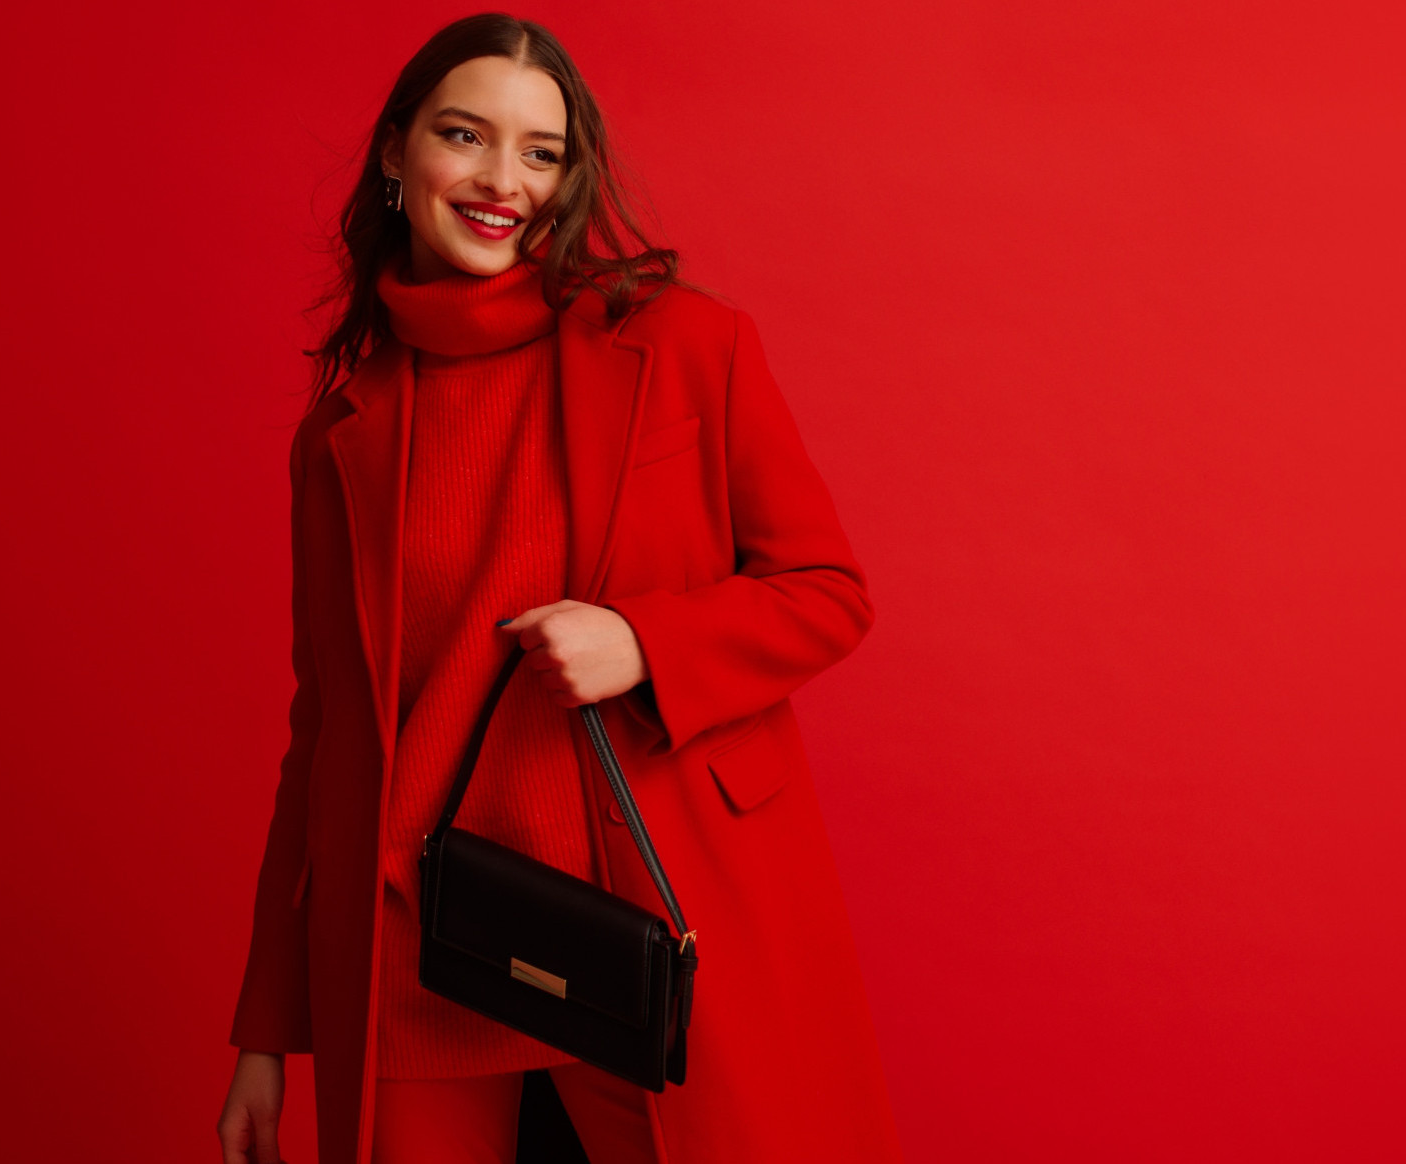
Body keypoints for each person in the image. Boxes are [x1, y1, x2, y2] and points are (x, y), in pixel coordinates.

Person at [215, 14, 904, 1164]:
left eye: (541, 152)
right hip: (419, 948)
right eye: (464, 135)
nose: (503, 181)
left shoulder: (682, 344)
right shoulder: (342, 432)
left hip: (653, 919)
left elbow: (827, 590)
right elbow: (324, 731)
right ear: (394, 154)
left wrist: (643, 641)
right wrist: (264, 1034)